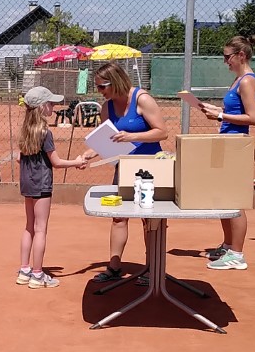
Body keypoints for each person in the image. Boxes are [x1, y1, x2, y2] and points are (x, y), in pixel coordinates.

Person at [89, 61, 170, 285]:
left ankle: (152, 268)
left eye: (102, 86)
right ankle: (114, 267)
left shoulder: (142, 99)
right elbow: (107, 139)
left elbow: (162, 132)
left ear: (115, 82)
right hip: (124, 166)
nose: (100, 91)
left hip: (150, 167)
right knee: (118, 216)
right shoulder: (107, 107)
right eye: (97, 87)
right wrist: (89, 153)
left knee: (150, 219)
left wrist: (132, 136)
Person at [196, 36, 255, 270]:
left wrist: (221, 115)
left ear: (241, 56)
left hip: (237, 146)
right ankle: (228, 245)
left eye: (228, 57)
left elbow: (253, 117)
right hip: (228, 143)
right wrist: (217, 111)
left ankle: (237, 254)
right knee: (224, 198)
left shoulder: (247, 81)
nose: (225, 61)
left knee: (234, 201)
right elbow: (233, 111)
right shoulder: (238, 80)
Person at [15, 86, 88, 289]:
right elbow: (55, 162)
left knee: (29, 226)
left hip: (27, 183)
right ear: (42, 107)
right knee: (40, 229)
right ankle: (38, 275)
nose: (54, 106)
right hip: (41, 184)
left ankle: (24, 270)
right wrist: (77, 162)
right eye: (51, 103)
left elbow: (19, 158)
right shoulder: (45, 133)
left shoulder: (25, 130)